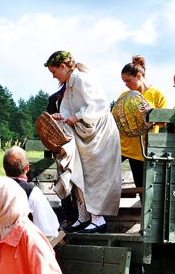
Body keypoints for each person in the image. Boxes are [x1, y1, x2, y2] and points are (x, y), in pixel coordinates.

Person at [45, 50, 122, 234]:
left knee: (93, 175)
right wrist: (61, 116)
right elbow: (67, 110)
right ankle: (84, 216)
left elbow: (100, 105)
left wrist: (76, 116)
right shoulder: (69, 86)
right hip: (84, 132)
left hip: (99, 133)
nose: (54, 76)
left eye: (54, 72)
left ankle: (98, 219)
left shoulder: (82, 79)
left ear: (63, 67)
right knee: (76, 171)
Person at [0, 147, 60, 241]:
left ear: (4, 168)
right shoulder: (33, 192)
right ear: (27, 167)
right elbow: (48, 231)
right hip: (25, 250)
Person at [118, 56, 168, 188]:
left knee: (142, 189)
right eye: (124, 82)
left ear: (139, 76)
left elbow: (163, 122)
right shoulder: (124, 95)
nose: (126, 85)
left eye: (128, 80)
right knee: (104, 179)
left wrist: (150, 113)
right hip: (121, 148)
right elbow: (114, 118)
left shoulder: (157, 95)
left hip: (142, 151)